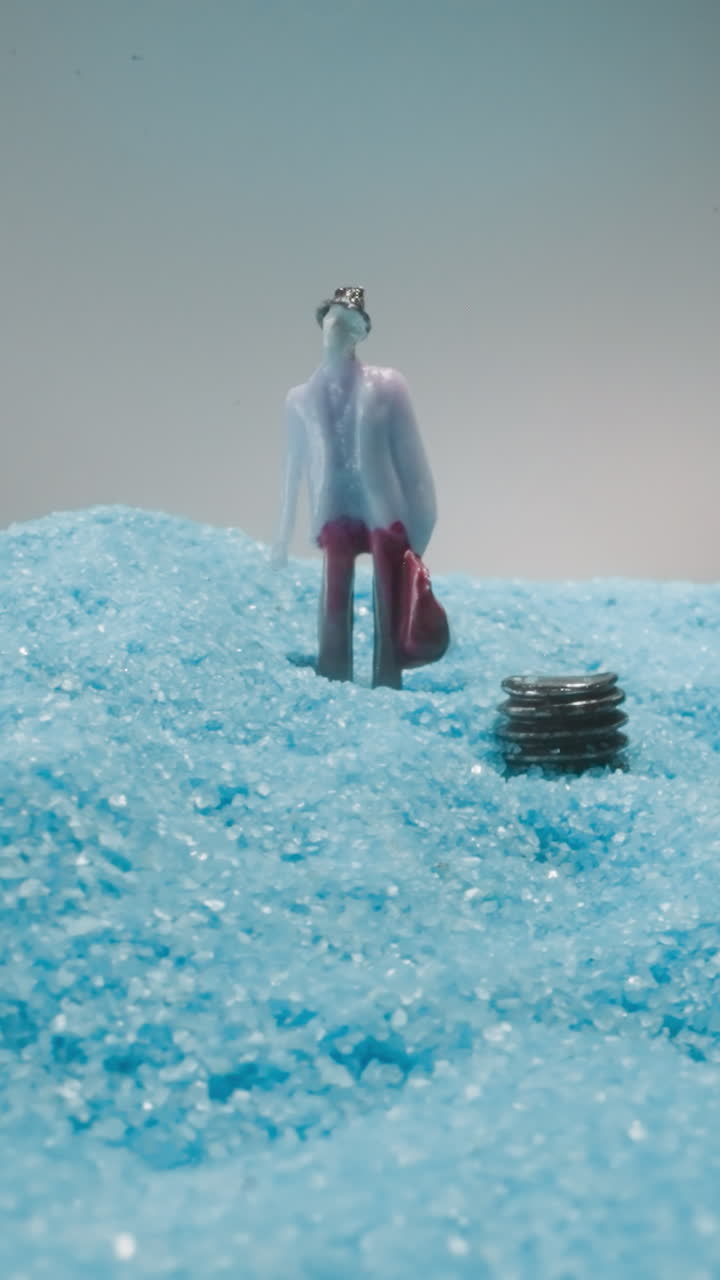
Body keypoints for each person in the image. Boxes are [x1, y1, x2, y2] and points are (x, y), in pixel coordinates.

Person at [272, 286, 447, 689]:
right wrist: (282, 538)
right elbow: (291, 471)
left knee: (390, 600)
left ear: (363, 334)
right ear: (322, 325)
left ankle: (388, 678)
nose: (341, 331)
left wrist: (424, 521)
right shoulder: (299, 399)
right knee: (333, 600)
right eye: (335, 321)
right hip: (334, 510)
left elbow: (411, 459)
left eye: (353, 325)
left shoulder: (388, 385)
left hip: (384, 509)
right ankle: (333, 676)